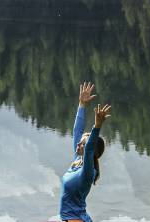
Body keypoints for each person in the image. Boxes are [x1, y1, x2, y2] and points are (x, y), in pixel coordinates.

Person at [60, 81, 112, 222]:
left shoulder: (88, 171)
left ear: (91, 151)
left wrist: (97, 126)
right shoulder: (78, 159)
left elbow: (89, 148)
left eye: (82, 143)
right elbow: (77, 131)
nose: (78, 144)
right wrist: (82, 105)